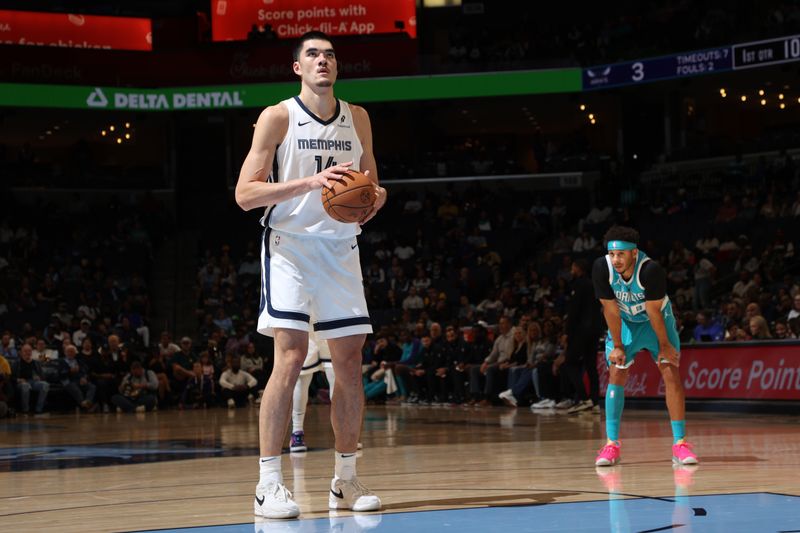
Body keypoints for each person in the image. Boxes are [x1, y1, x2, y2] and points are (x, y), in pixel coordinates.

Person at [235, 31, 386, 518]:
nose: (323, 60)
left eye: (330, 55)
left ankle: (344, 480)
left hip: (340, 250)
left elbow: (375, 188)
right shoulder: (278, 116)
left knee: (348, 362)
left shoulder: (357, 117)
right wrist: (311, 183)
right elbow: (245, 193)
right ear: (298, 68)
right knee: (292, 356)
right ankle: (268, 484)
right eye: (313, 55)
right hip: (291, 248)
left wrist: (369, 203)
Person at [592, 226, 698, 467]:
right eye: (612, 254)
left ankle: (680, 443)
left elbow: (653, 312)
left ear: (634, 253)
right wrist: (617, 345)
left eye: (621, 254)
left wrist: (664, 346)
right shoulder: (601, 267)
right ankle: (611, 445)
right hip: (626, 324)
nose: (615, 259)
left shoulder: (651, 270)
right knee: (616, 372)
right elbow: (609, 308)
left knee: (670, 372)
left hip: (656, 323)